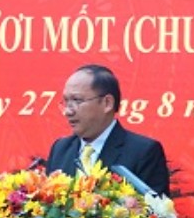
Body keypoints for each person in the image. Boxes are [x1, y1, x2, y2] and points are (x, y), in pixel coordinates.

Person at [46, 64, 171, 196]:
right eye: (66, 102)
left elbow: (156, 213)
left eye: (77, 100)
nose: (68, 111)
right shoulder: (60, 149)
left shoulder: (143, 152)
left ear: (107, 103)